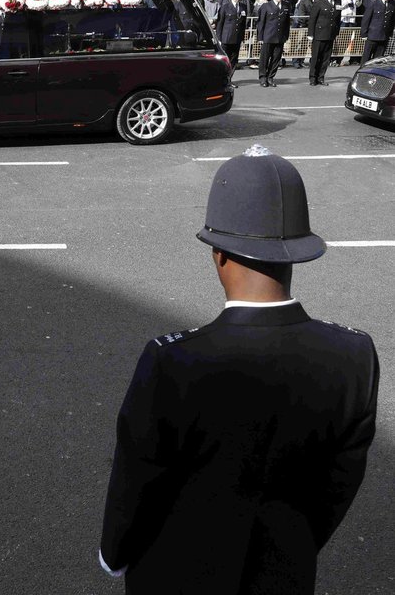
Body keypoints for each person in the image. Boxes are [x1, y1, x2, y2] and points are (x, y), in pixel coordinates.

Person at [99, 144, 379, 594]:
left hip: (173, 573)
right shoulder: (355, 355)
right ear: (294, 254)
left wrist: (114, 554)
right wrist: (294, 546)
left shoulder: (172, 361)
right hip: (284, 572)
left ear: (220, 255)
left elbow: (137, 481)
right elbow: (337, 486)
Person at [256, 0, 290, 87]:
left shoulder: (286, 6)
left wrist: (286, 36)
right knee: (264, 59)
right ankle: (263, 77)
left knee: (276, 59)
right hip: (268, 36)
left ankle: (270, 77)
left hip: (280, 37)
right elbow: (261, 23)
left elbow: (287, 23)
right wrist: (260, 37)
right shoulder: (266, 6)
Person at [216, 0, 248, 88]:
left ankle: (229, 80)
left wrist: (242, 37)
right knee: (224, 60)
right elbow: (220, 23)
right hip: (226, 38)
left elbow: (243, 24)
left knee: (234, 61)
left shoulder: (243, 7)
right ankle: (221, 80)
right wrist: (219, 38)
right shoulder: (225, 7)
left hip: (237, 38)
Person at [308, 0, 340, 86]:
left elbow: (338, 19)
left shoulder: (338, 2)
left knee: (326, 58)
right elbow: (313, 19)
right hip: (319, 34)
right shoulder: (319, 3)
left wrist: (336, 32)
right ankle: (313, 78)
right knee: (316, 57)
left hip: (330, 34)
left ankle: (321, 77)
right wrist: (310, 34)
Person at [360, 0, 394, 66]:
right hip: (372, 35)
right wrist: (364, 34)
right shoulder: (374, 3)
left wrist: (389, 33)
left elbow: (392, 20)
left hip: (384, 36)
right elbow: (366, 19)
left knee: (379, 59)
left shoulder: (392, 4)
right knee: (366, 59)